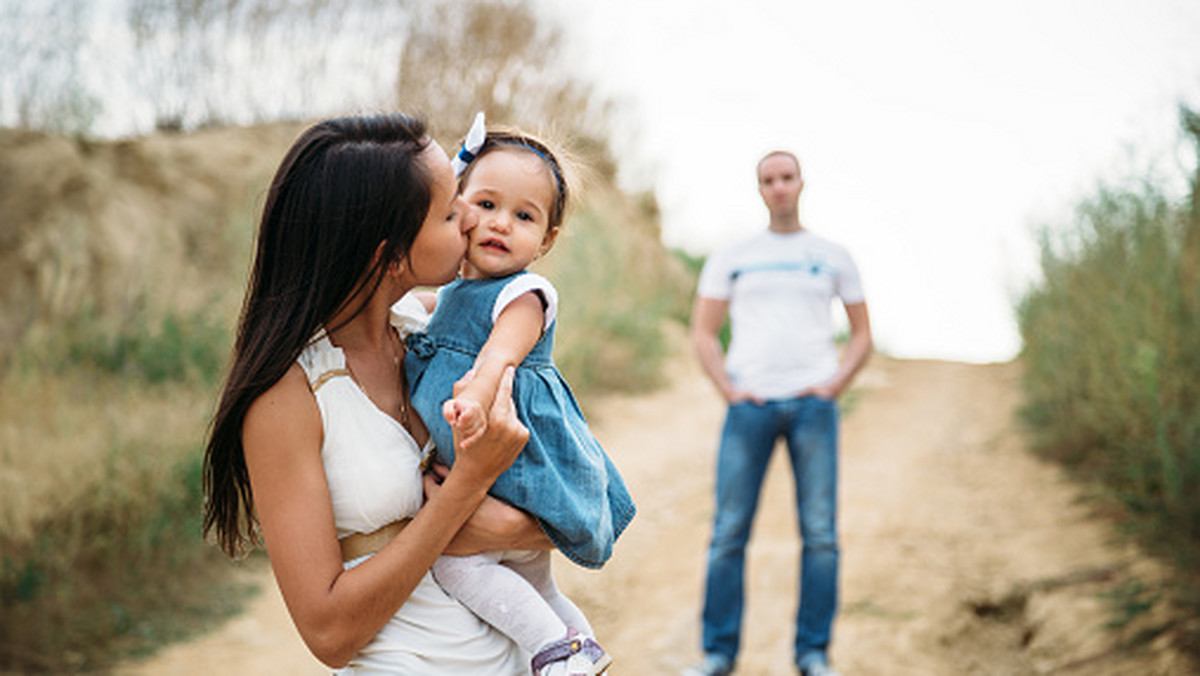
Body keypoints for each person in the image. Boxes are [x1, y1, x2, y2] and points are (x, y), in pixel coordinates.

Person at [201, 113, 555, 674]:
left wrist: (523, 525)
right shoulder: (287, 398)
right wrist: (466, 487)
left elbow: (556, 495)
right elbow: (328, 633)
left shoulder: (430, 337)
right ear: (388, 257)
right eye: (448, 211)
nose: (471, 217)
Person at [404, 113, 634, 676]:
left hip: (518, 466)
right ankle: (582, 647)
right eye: (484, 205)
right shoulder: (455, 290)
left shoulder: (526, 293)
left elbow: (499, 355)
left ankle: (554, 653)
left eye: (523, 216)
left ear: (546, 240)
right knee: (534, 582)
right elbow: (413, 316)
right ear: (456, 206)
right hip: (492, 466)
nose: (499, 223)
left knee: (459, 566)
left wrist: (474, 398)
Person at [684, 151, 872, 676]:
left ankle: (812, 654)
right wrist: (728, 389)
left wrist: (833, 385)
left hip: (814, 407)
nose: (779, 187)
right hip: (751, 405)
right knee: (728, 533)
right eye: (769, 180)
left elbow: (862, 336)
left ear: (801, 183)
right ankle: (718, 654)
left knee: (820, 534)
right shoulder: (734, 255)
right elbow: (702, 332)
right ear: (759, 189)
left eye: (787, 178)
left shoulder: (832, 254)